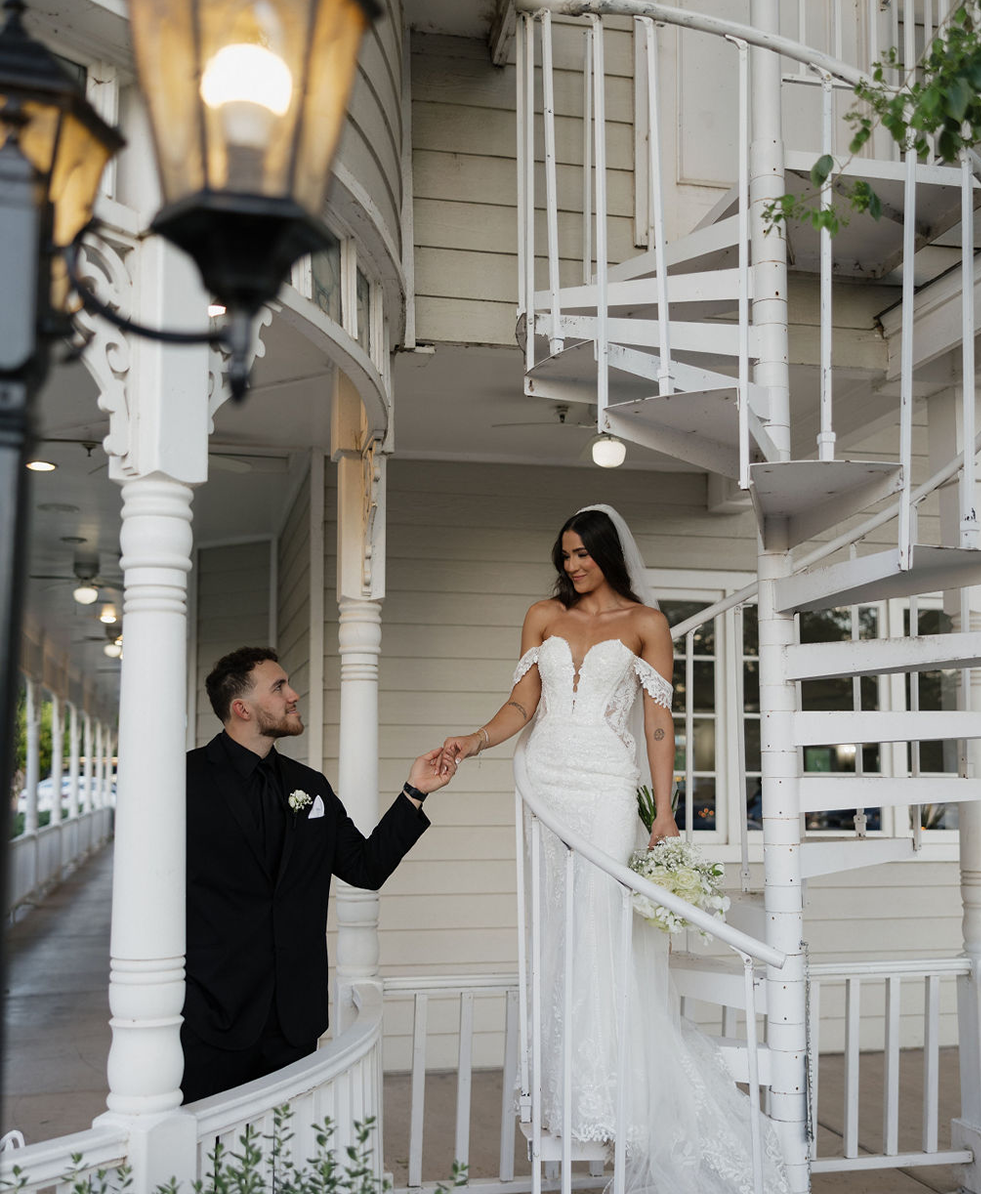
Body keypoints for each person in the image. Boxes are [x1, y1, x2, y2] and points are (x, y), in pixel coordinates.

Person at [441, 506, 789, 1194]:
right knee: (559, 930)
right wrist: (473, 741)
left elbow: (659, 727)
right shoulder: (542, 615)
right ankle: (573, 1085)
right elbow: (522, 707)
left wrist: (663, 813)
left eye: (581, 554)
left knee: (601, 924)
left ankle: (616, 1088)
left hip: (604, 788)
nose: (571, 566)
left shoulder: (645, 625)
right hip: (547, 780)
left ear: (606, 553)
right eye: (564, 555)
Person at [182, 645, 454, 1103]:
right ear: (241, 708)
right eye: (279, 687)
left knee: (290, 1156)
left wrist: (414, 793)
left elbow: (365, 869)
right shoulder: (184, 780)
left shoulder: (310, 786)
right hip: (211, 1013)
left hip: (294, 1017)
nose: (294, 694)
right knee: (206, 1158)